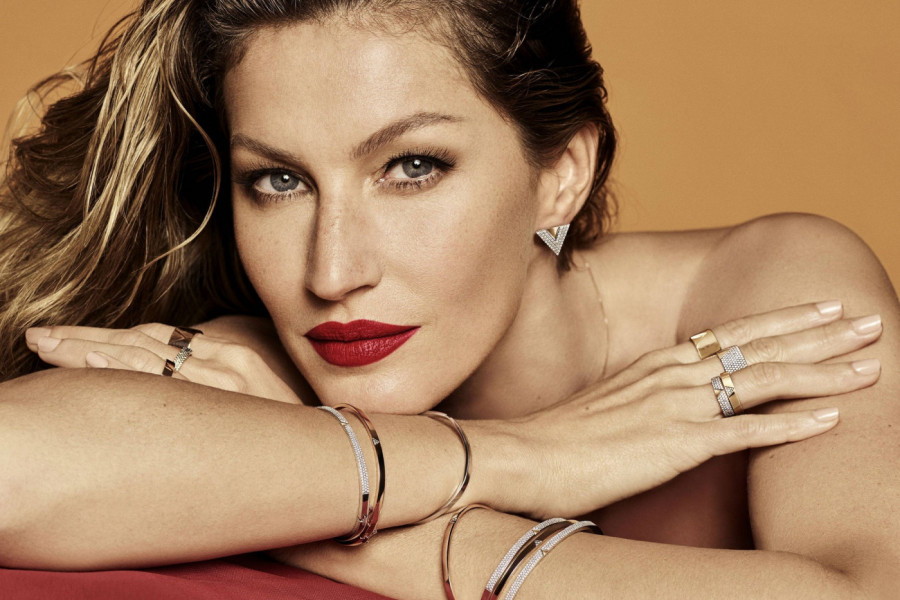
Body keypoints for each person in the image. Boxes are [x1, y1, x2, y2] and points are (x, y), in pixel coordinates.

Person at [0, 1, 897, 598]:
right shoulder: (261, 363)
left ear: (562, 175)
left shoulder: (762, 298)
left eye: (413, 167)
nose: (331, 272)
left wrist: (367, 527)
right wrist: (518, 458)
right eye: (278, 180)